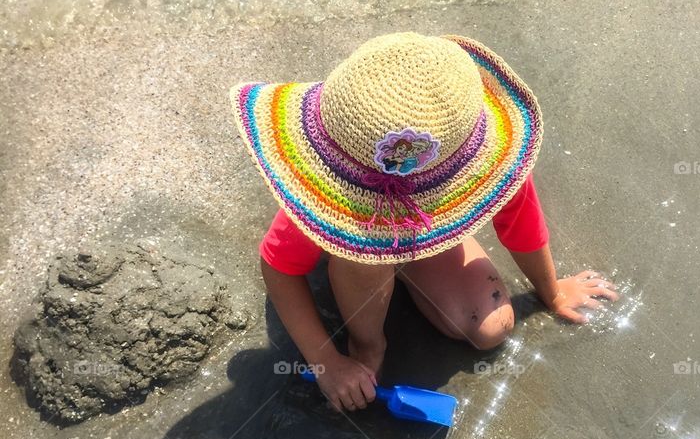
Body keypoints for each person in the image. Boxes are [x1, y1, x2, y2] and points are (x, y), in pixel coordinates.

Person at [231, 32, 617, 413]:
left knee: (492, 327)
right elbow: (278, 266)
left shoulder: (477, 158)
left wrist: (551, 292)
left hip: (423, 230)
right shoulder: (327, 192)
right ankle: (368, 343)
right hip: (356, 249)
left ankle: (401, 267)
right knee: (366, 259)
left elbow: (520, 220)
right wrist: (325, 360)